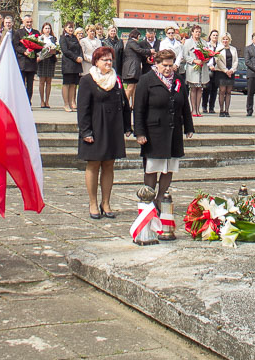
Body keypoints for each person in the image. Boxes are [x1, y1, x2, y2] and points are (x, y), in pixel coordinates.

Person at [77, 46, 132, 218]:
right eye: (104, 60)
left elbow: (124, 103)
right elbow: (83, 108)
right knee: (94, 164)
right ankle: (93, 203)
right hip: (95, 126)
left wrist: (126, 126)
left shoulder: (117, 79)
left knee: (109, 164)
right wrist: (86, 131)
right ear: (96, 62)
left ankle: (106, 202)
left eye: (110, 59)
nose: (108, 62)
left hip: (113, 127)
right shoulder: (87, 80)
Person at [134, 49, 193, 207]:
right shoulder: (146, 80)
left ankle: (161, 197)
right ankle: (149, 198)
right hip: (154, 132)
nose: (168, 68)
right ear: (157, 64)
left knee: (169, 167)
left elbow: (185, 105)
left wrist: (189, 127)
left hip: (173, 130)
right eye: (164, 65)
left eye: (170, 65)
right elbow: (139, 108)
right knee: (153, 167)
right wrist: (139, 133)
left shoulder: (178, 80)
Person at [183, 24, 211, 117]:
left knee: (200, 89)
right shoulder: (188, 42)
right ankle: (193, 109)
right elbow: (185, 56)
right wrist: (194, 60)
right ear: (192, 32)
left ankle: (198, 110)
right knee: (193, 89)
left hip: (202, 68)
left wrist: (206, 59)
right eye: (196, 32)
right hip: (192, 68)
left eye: (199, 32)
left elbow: (207, 53)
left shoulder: (204, 42)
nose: (198, 33)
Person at [60, 21, 83, 112]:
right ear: (65, 28)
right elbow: (65, 51)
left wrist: (80, 56)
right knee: (67, 84)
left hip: (76, 64)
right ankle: (66, 104)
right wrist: (75, 57)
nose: (71, 29)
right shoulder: (63, 38)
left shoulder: (74, 37)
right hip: (68, 64)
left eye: (72, 27)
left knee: (73, 85)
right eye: (69, 27)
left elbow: (79, 48)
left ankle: (71, 103)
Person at [122, 28, 146, 108]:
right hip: (131, 69)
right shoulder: (132, 42)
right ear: (137, 36)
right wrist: (150, 51)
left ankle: (134, 105)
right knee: (130, 87)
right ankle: (125, 104)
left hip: (133, 68)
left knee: (135, 87)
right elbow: (139, 50)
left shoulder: (129, 42)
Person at [214, 34, 238, 117]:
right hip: (221, 72)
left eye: (227, 39)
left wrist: (232, 70)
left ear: (229, 40)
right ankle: (221, 110)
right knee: (222, 91)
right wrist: (225, 70)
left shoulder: (233, 49)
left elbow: (236, 61)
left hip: (231, 72)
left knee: (228, 91)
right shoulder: (219, 49)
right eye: (223, 39)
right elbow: (218, 61)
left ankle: (227, 110)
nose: (225, 41)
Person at [20, 13, 41, 102]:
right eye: (27, 22)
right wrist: (24, 51)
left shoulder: (36, 33)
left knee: (30, 84)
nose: (29, 24)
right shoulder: (19, 32)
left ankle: (28, 101)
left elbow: (40, 45)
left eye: (30, 22)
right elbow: (16, 45)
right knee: (21, 84)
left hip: (32, 63)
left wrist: (34, 50)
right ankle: (21, 102)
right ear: (23, 22)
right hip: (22, 62)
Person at [37, 22, 58, 107]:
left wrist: (54, 51)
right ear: (42, 29)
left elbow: (57, 49)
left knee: (49, 82)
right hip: (42, 60)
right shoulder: (40, 38)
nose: (47, 30)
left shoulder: (53, 39)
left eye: (49, 28)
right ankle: (42, 101)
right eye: (46, 28)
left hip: (50, 61)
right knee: (42, 81)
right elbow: (37, 49)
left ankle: (47, 101)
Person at [202, 28, 220, 113]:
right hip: (208, 69)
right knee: (206, 88)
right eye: (213, 35)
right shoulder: (206, 45)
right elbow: (204, 57)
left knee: (214, 89)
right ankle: (204, 106)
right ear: (210, 36)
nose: (215, 37)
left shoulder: (220, 46)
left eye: (216, 35)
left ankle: (211, 107)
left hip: (217, 70)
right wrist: (210, 65)